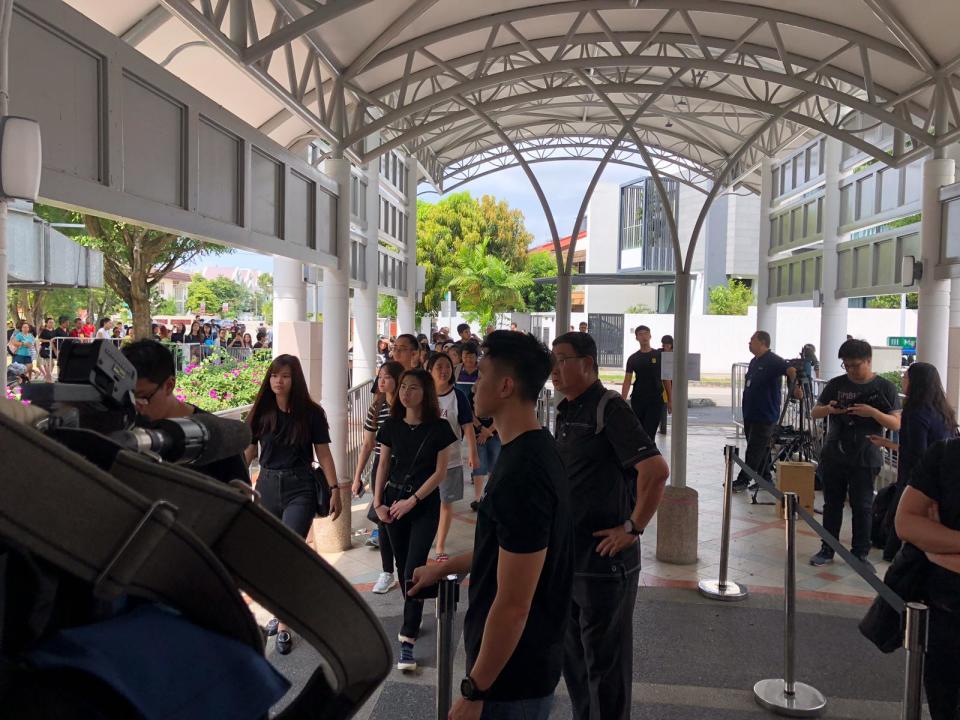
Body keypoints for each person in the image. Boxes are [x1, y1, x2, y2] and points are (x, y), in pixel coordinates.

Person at [410, 331, 572, 720]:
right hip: (516, 671)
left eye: (480, 375)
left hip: (510, 681)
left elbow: (514, 604)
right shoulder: (533, 449)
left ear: (505, 385)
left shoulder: (524, 473)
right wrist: (443, 567)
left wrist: (475, 689)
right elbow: (502, 546)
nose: (473, 384)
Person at [551, 331, 669, 719]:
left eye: (562, 359)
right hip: (570, 557)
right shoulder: (566, 409)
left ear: (587, 364)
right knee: (576, 662)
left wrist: (633, 528)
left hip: (606, 563)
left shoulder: (610, 408)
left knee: (606, 666)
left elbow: (655, 471)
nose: (554, 368)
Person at [243, 354, 341, 655]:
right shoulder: (261, 411)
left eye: (284, 375)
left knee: (288, 551)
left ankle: (284, 624)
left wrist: (335, 487)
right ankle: (281, 611)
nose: (278, 381)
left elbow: (323, 453)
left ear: (294, 378)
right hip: (267, 486)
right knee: (273, 554)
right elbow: (247, 453)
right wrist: (235, 483)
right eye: (274, 375)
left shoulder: (311, 413)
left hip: (300, 487)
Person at [373, 368, 457, 671]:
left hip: (422, 506)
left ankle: (407, 639)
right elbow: (382, 465)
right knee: (400, 565)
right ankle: (414, 612)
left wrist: (413, 501)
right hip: (393, 505)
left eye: (414, 388)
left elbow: (440, 474)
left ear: (426, 394)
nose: (406, 393)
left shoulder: (439, 427)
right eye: (404, 387)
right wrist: (378, 502)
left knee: (413, 568)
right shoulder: (392, 425)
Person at [810, 339, 901, 569]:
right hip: (834, 453)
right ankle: (827, 548)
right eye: (846, 365)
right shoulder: (836, 384)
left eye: (855, 365)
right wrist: (830, 409)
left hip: (865, 455)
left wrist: (872, 412)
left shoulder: (885, 387)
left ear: (868, 361)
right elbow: (815, 412)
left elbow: (896, 423)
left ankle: (860, 553)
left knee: (863, 506)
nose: (850, 369)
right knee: (832, 504)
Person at [122, 339, 251, 485]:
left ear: (169, 385)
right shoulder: (125, 426)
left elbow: (242, 497)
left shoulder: (216, 435)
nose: (135, 405)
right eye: (127, 396)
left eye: (142, 396)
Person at [895, 439, 960, 720]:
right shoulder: (948, 455)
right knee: (943, 706)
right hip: (946, 614)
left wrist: (941, 545)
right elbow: (906, 522)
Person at [868, 362, 957, 560]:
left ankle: (893, 557)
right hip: (942, 475)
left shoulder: (915, 412)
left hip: (915, 479)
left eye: (906, 377)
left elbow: (918, 453)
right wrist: (888, 444)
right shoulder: (943, 411)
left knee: (901, 518)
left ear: (915, 382)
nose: (902, 380)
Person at [352, 361, 404, 593]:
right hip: (379, 469)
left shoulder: (407, 406)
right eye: (379, 377)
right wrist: (357, 477)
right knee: (384, 520)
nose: (381, 381)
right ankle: (387, 572)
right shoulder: (376, 407)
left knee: (402, 519)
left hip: (404, 468)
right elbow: (367, 445)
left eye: (387, 377)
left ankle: (405, 568)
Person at [427, 351, 479, 561]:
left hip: (451, 459)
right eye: (438, 366)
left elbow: (467, 426)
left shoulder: (458, 396)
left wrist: (473, 453)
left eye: (447, 366)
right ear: (429, 370)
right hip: (425, 461)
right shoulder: (424, 394)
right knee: (427, 502)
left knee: (446, 503)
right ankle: (429, 535)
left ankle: (440, 546)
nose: (444, 370)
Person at [733, 330, 800, 492]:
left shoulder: (773, 360)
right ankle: (766, 479)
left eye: (752, 340)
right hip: (751, 413)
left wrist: (796, 387)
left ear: (762, 342)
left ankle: (744, 479)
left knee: (754, 449)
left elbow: (790, 370)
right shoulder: (754, 361)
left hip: (765, 415)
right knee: (760, 448)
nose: (749, 343)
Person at [458, 342, 500, 512]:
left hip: (496, 432)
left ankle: (492, 496)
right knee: (479, 465)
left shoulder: (498, 389)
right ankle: (478, 499)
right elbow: (469, 411)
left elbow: (501, 411)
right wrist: (481, 429)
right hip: (477, 432)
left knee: (495, 465)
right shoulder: (471, 391)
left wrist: (489, 430)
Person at [621, 325, 665, 441]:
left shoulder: (659, 356)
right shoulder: (633, 358)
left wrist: (670, 399)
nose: (644, 336)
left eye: (646, 333)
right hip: (638, 399)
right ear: (636, 338)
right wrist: (622, 400)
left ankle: (650, 456)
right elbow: (627, 380)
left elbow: (666, 379)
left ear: (650, 336)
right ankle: (644, 456)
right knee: (640, 432)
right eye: (640, 334)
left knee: (650, 433)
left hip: (655, 399)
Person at [658, 334, 674, 435]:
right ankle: (662, 427)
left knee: (670, 404)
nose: (665, 347)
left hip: (672, 382)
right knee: (663, 406)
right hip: (662, 383)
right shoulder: (659, 353)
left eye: (667, 345)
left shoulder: (675, 354)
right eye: (664, 345)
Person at [37, 317, 56, 382]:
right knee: (48, 364)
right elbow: (40, 339)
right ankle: (48, 377)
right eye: (50, 322)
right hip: (45, 349)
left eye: (53, 322)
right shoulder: (44, 331)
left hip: (52, 349)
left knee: (52, 364)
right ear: (46, 323)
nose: (51, 324)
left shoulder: (54, 331)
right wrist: (48, 341)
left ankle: (47, 377)